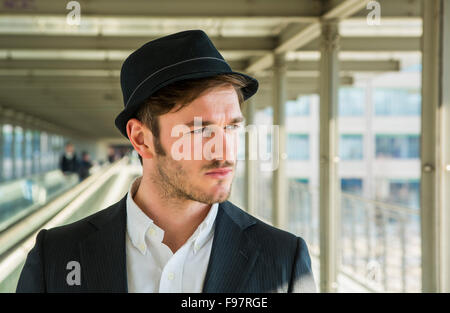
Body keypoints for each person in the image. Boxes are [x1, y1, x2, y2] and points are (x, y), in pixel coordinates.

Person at [16, 30, 316, 293]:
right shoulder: (54, 257)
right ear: (141, 138)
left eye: (232, 127)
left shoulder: (284, 261)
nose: (224, 151)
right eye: (201, 129)